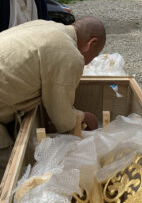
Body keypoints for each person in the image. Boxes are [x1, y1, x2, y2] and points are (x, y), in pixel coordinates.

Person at [0, 17, 106, 178]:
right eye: (95, 54)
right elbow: (62, 119)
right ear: (92, 43)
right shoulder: (69, 53)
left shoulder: (48, 26)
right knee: (9, 171)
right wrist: (85, 117)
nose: (90, 62)